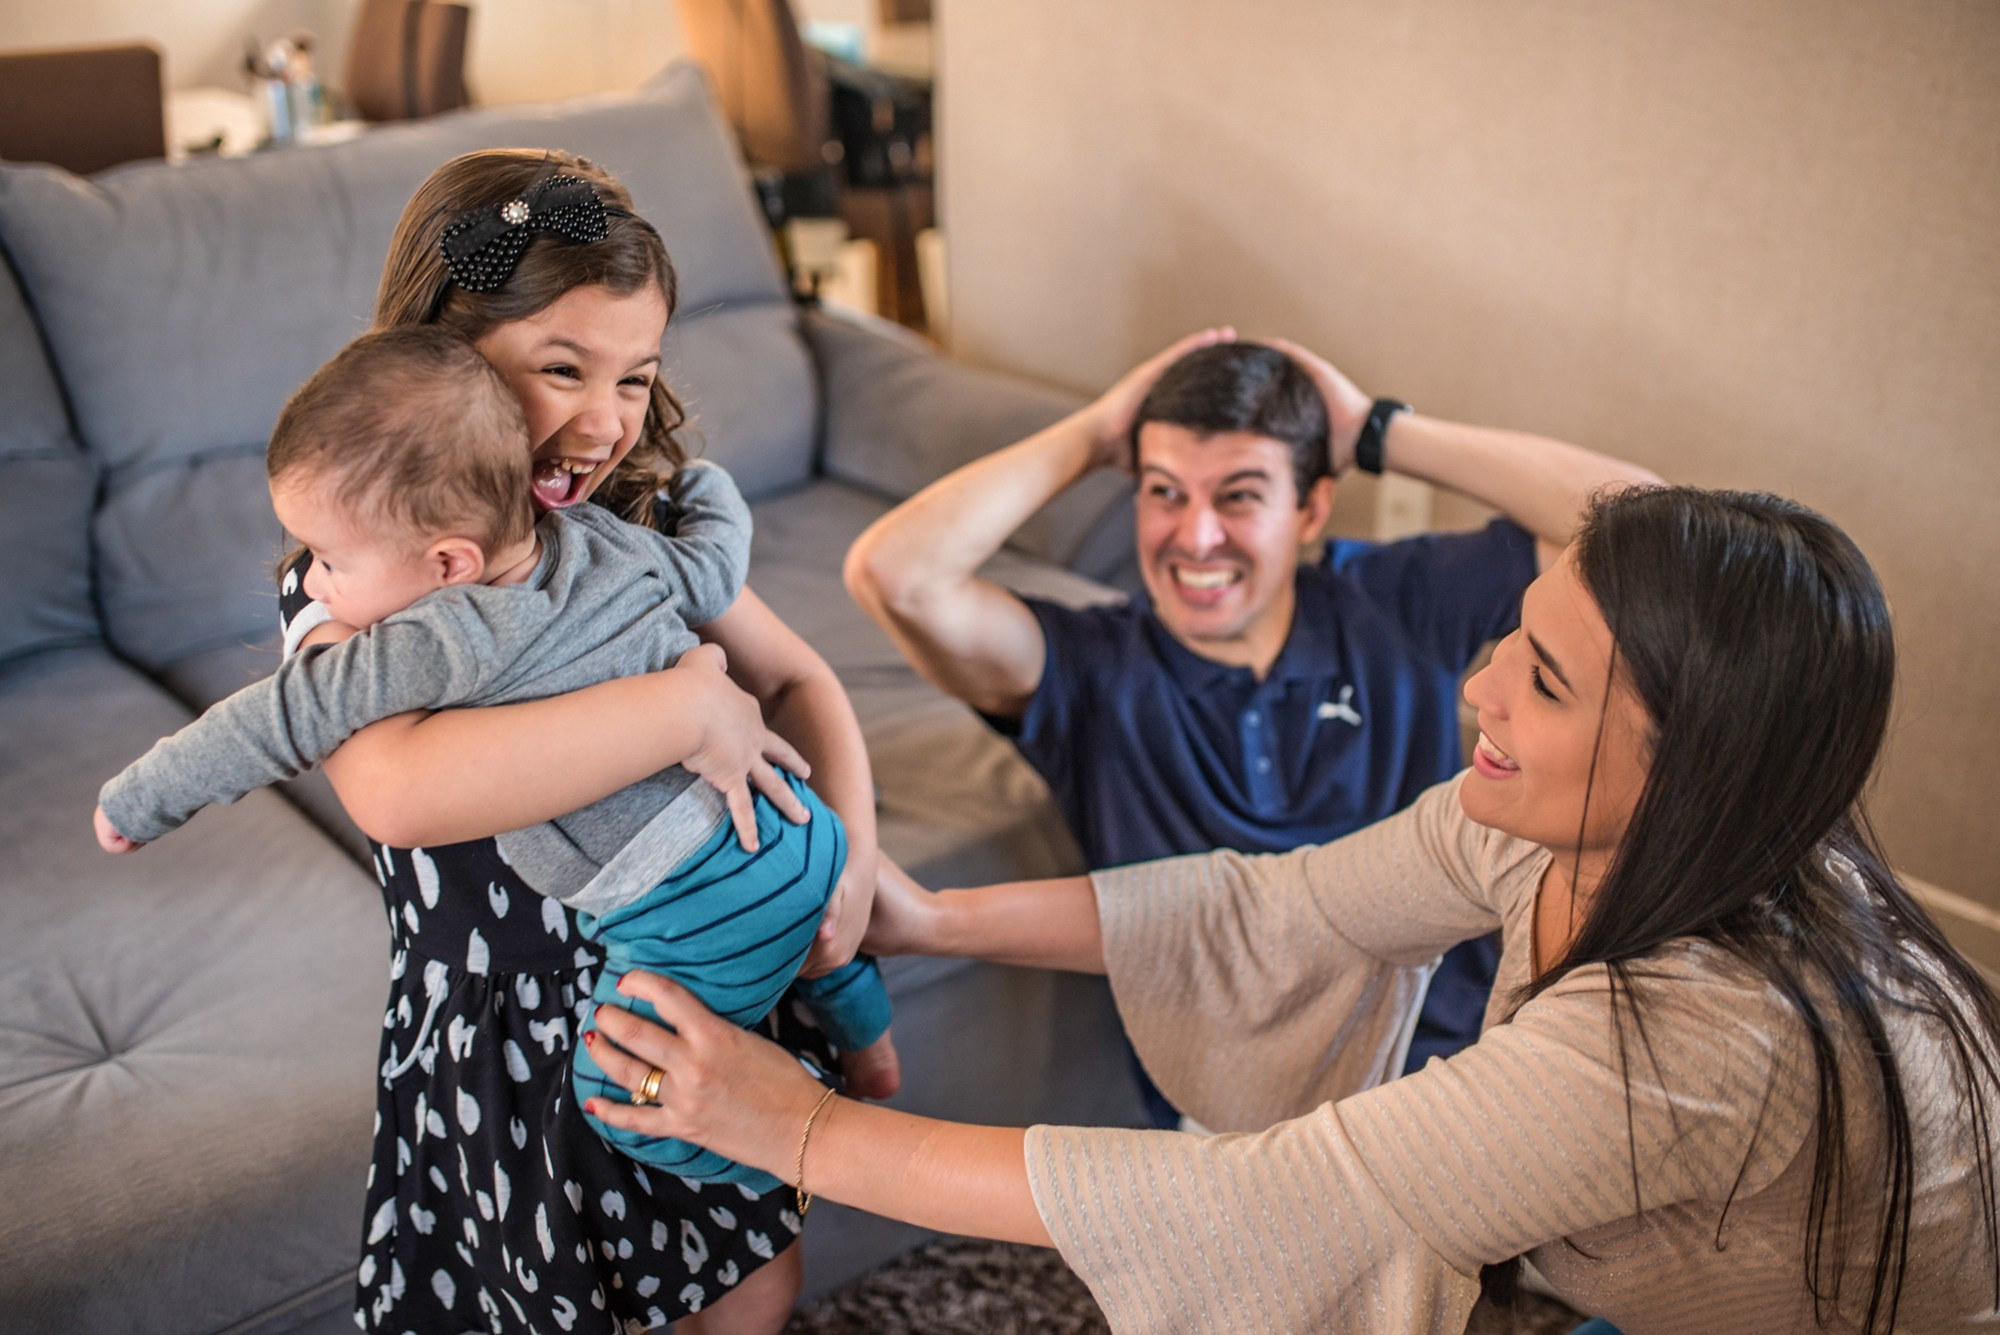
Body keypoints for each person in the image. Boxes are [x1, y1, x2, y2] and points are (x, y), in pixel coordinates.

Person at [584, 486, 2000, 1333]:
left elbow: (1255, 1204)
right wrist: (932, 915)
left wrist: (795, 1124)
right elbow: (1271, 908)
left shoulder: (1690, 1043)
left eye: (1547, 683)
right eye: (1514, 628)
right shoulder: (1554, 816)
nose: (1480, 686)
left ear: (1689, 766)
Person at [262, 151, 880, 1334]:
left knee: (752, 1280)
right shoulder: (352, 583)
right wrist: (687, 709)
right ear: (440, 358)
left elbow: (798, 679)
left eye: (635, 379)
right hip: (514, 1056)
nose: (603, 423)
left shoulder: (634, 527)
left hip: (692, 989)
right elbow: (394, 790)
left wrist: (848, 860)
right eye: (561, 370)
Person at [93, 325, 898, 1186]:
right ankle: (872, 1048)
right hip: (804, 835)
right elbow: (712, 564)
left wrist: (139, 799)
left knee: (623, 1096)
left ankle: (805, 1151)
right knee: (813, 954)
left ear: (449, 561)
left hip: (690, 907)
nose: (317, 582)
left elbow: (282, 716)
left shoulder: (445, 631)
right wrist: (706, 486)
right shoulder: (610, 538)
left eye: (328, 563)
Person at [845, 331, 1663, 1080]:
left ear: (1309, 509)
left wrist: (1373, 428)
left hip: (1451, 1048)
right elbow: (894, 575)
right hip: (1240, 1090)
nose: (1196, 536)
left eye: (1238, 496)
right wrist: (1096, 432)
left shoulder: (1391, 604)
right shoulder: (1088, 666)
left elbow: (1645, 524)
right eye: (1165, 492)